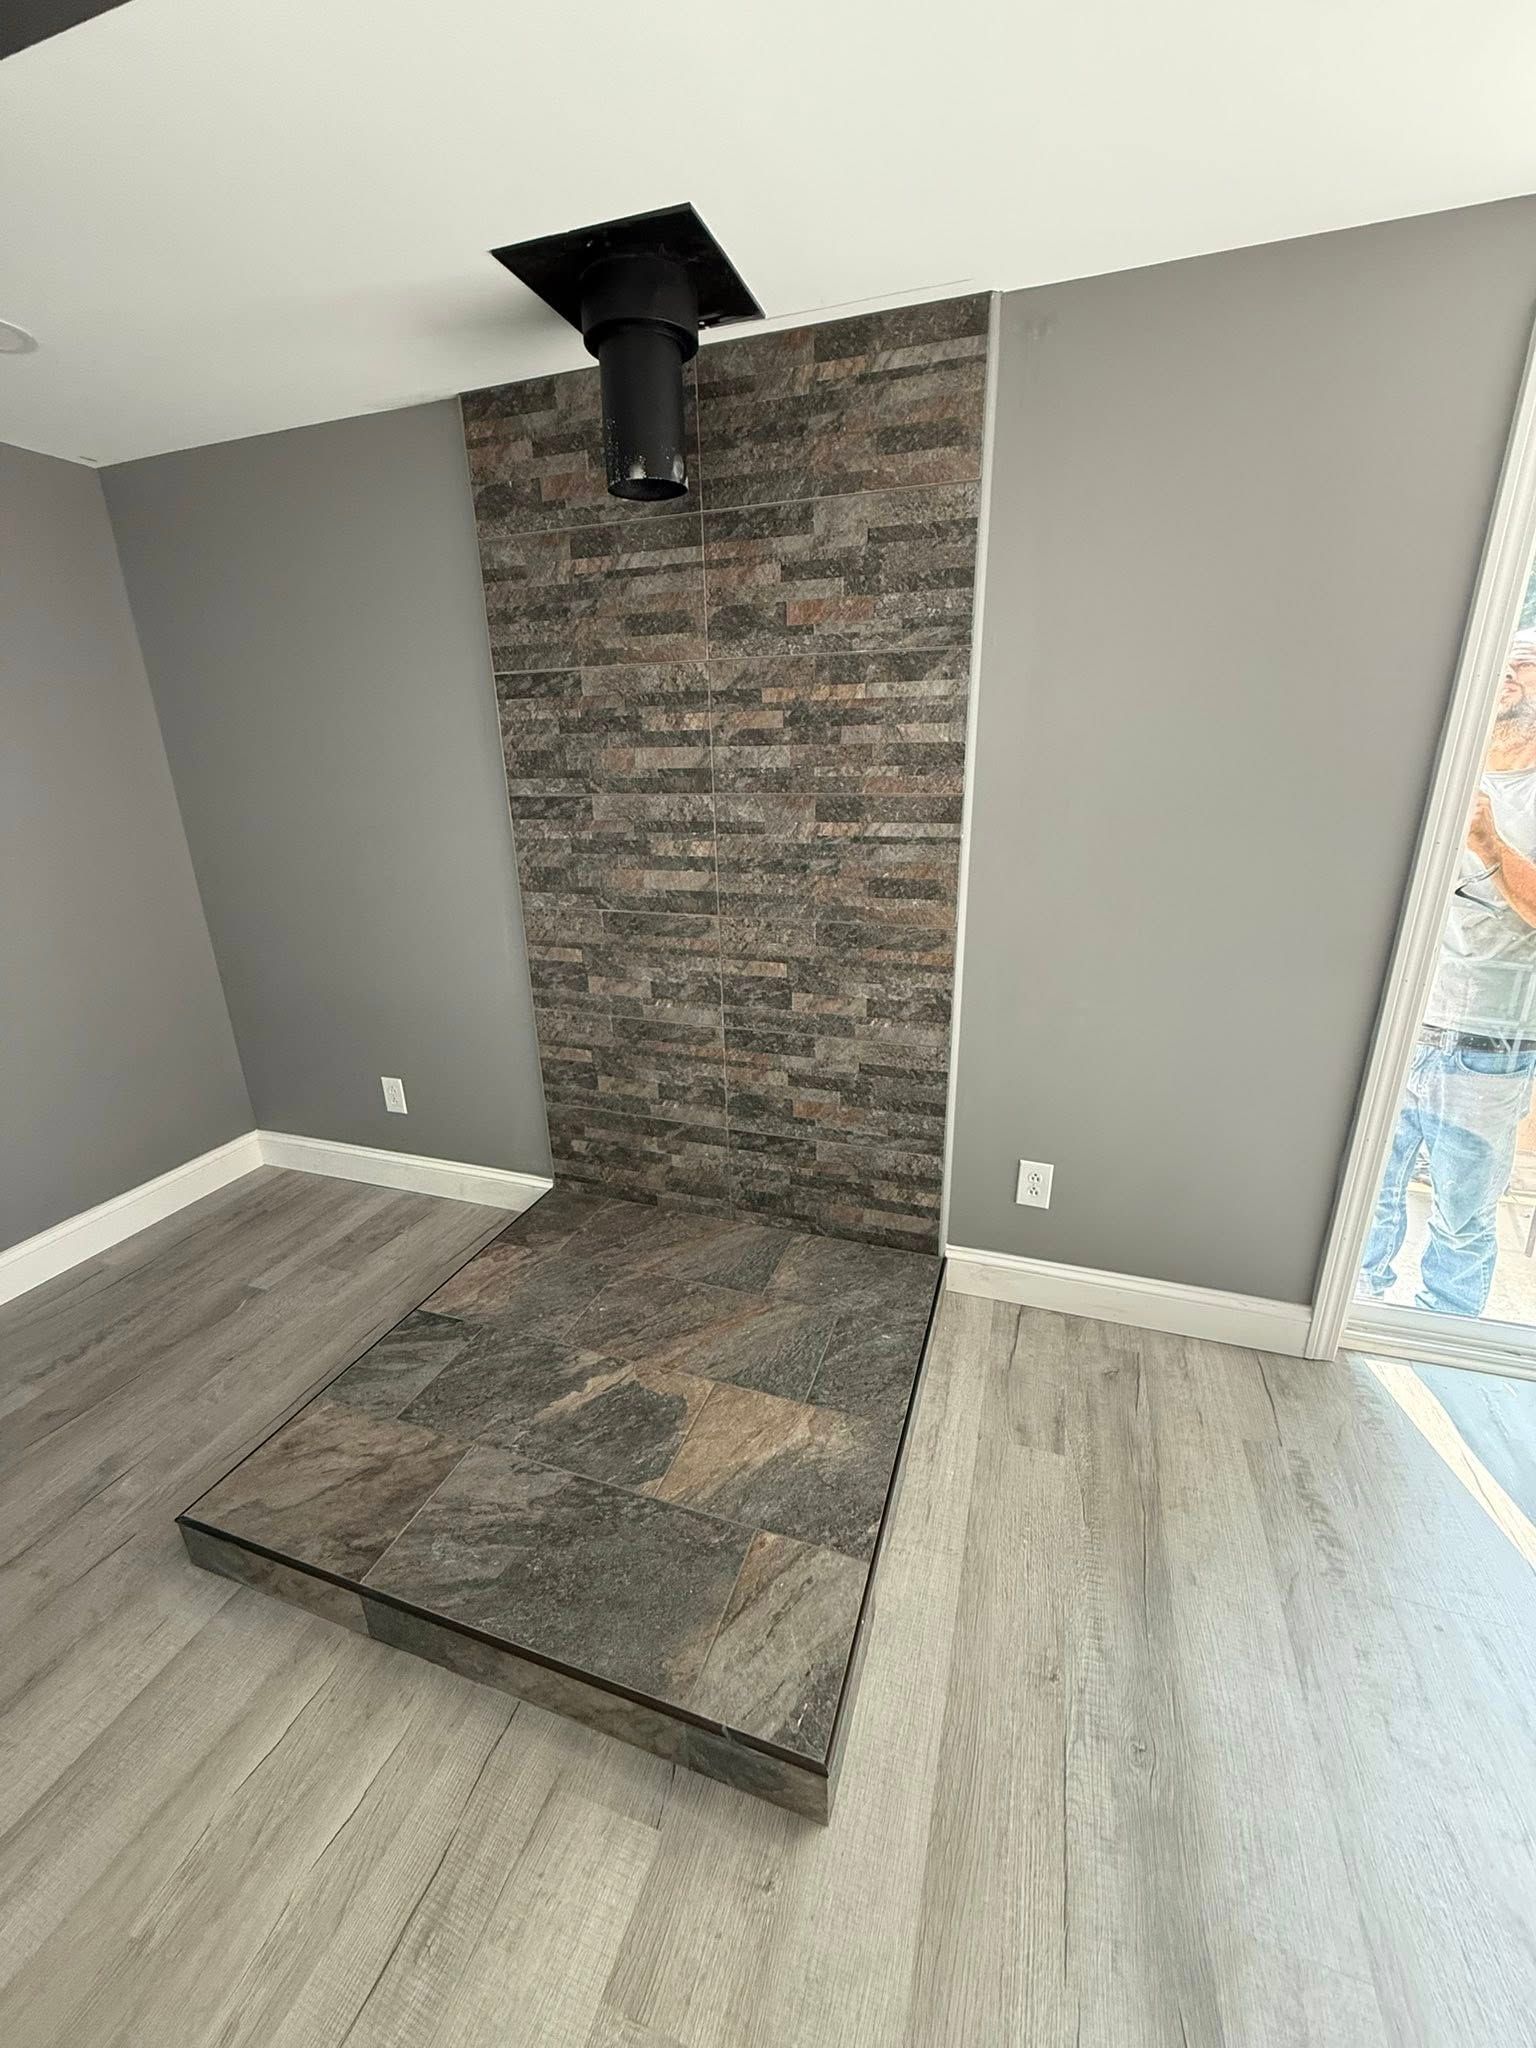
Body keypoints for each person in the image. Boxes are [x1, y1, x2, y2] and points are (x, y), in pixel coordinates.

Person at [1360, 630, 1536, 1315]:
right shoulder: (1444, 768)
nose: (1513, 677)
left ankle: (1446, 1340)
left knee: (1462, 1220)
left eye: (1528, 666)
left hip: (1491, 1050)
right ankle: (1360, 1320)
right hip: (1400, 1026)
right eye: (1505, 664)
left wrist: (1488, 843)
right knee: (1365, 1200)